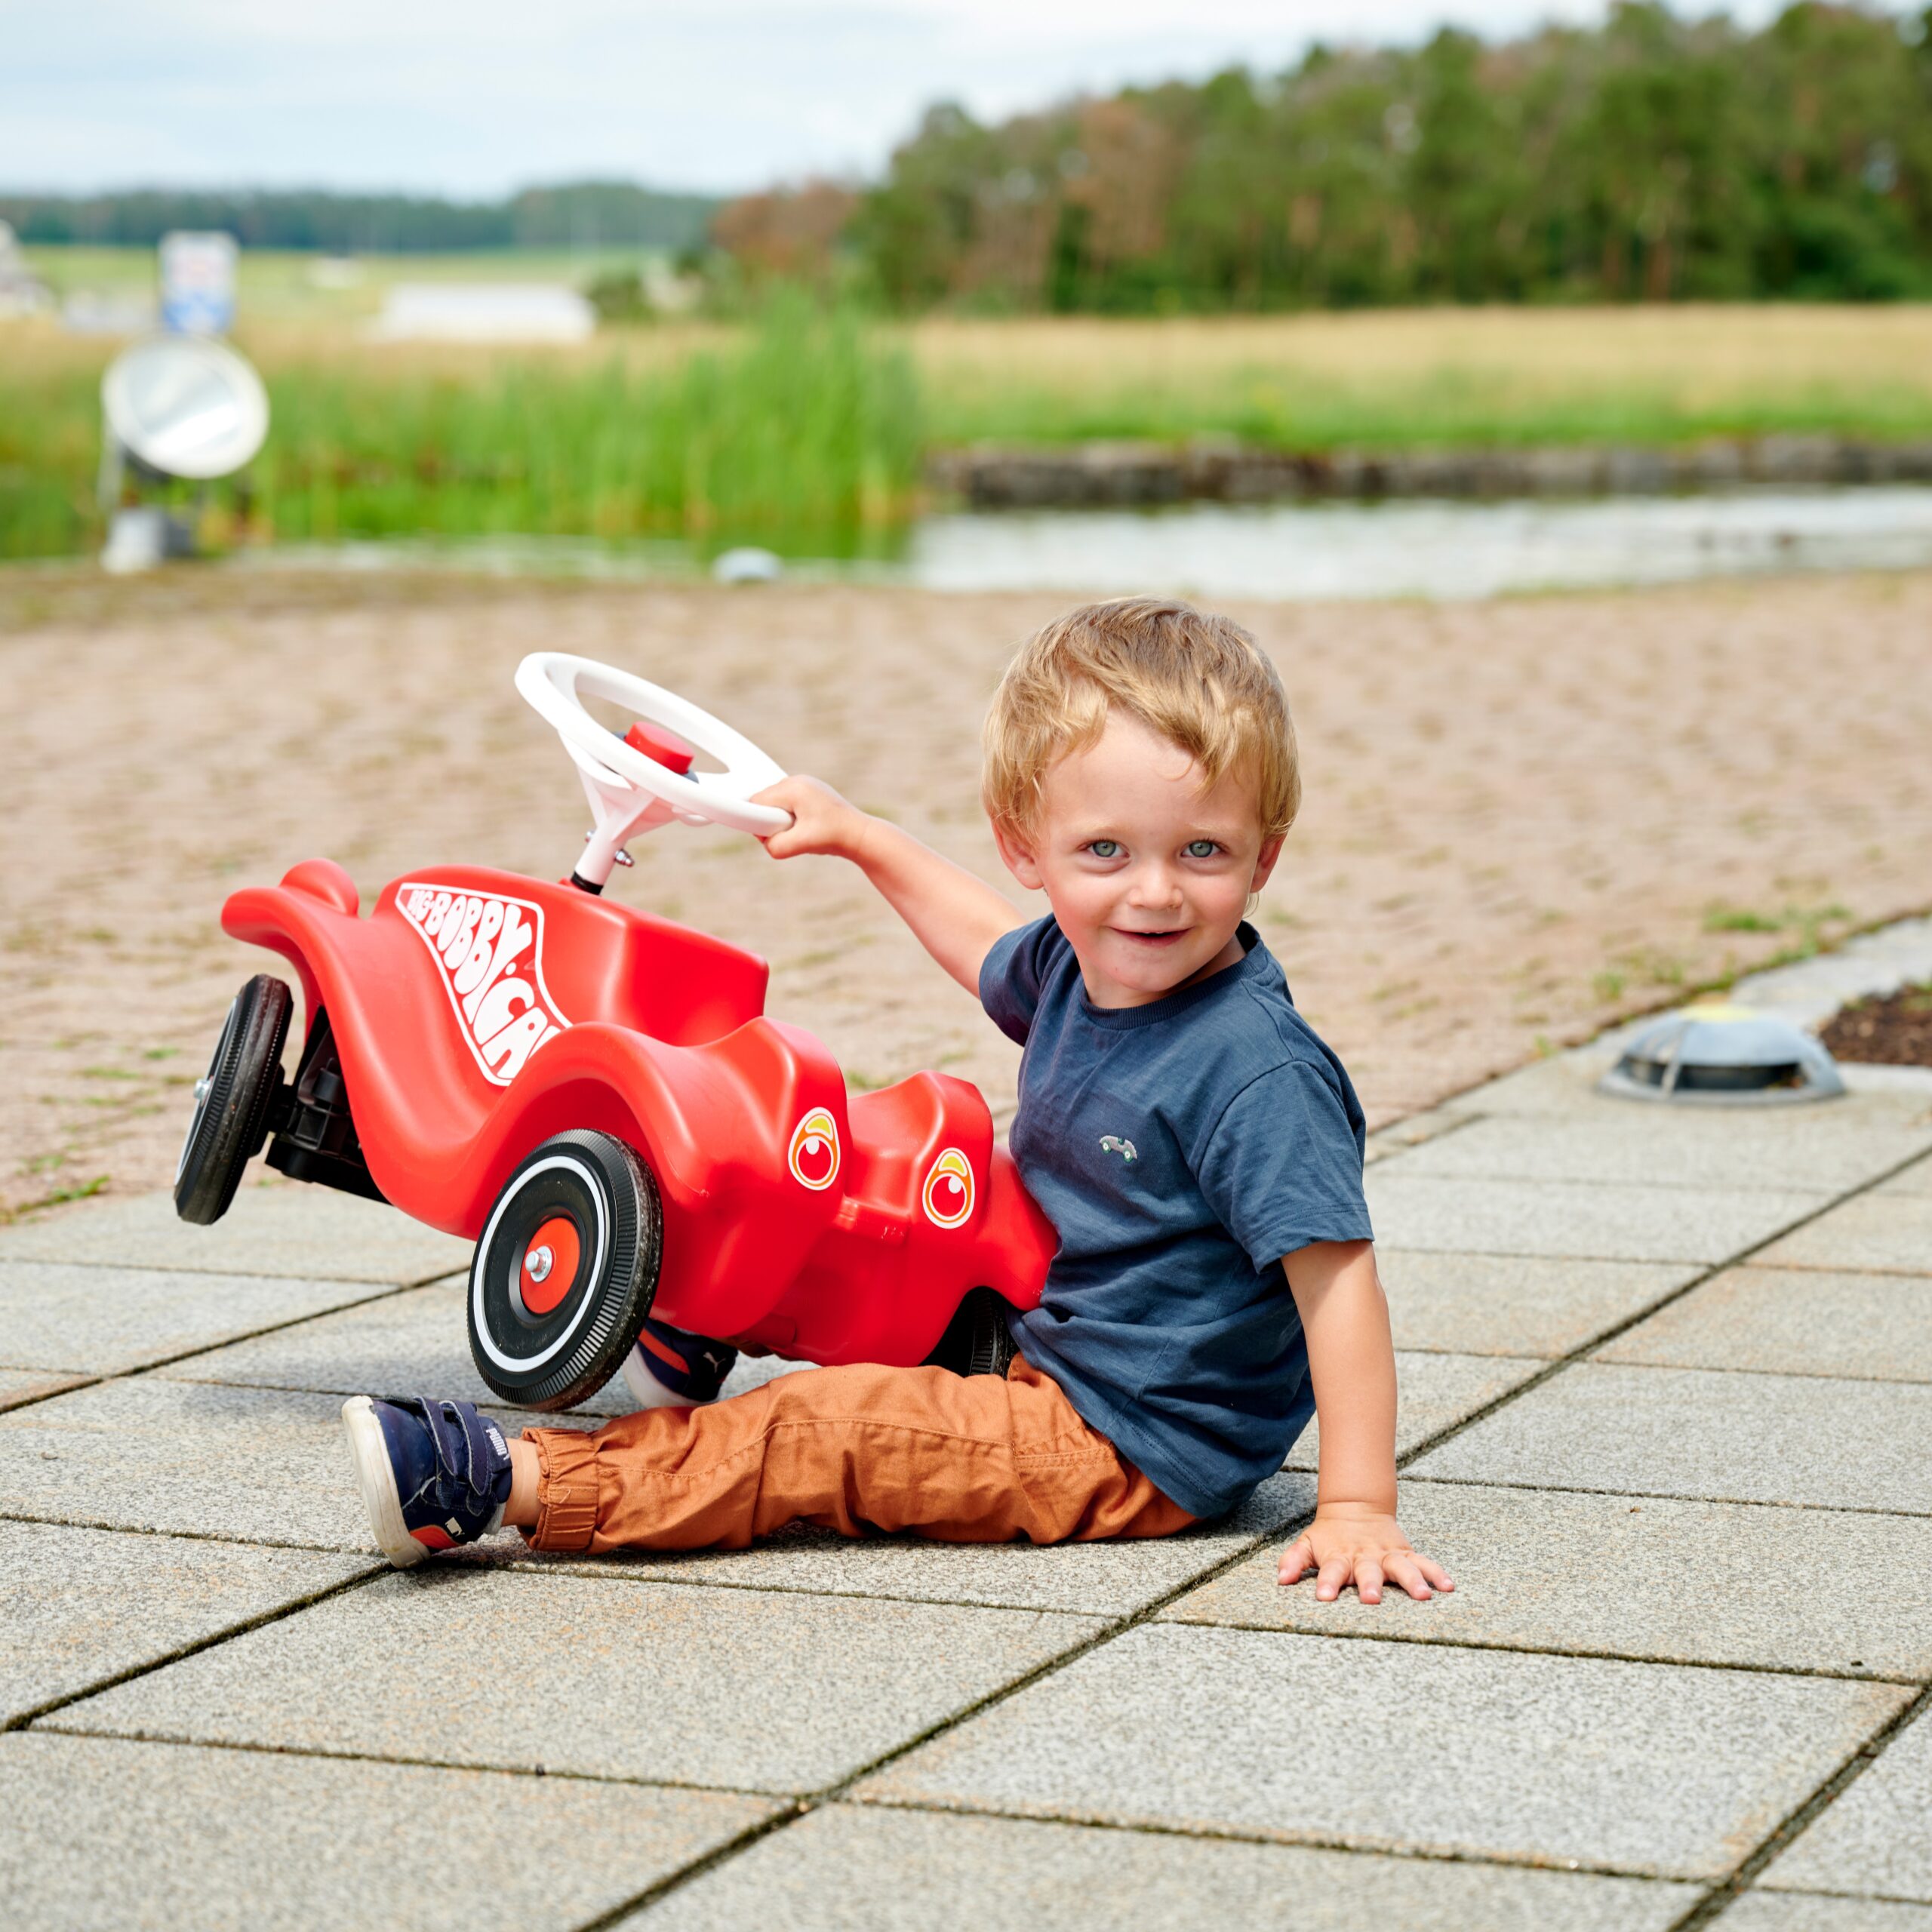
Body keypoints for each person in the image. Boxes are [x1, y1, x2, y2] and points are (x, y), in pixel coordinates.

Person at [342, 598, 1451, 1606]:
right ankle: (694, 1325)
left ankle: (503, 1483)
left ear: (1265, 857)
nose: (1153, 892)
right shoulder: (1084, 963)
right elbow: (986, 945)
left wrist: (1357, 1504)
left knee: (816, 1436)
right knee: (832, 1191)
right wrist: (861, 835)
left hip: (1126, 1435)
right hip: (1039, 1323)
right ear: (1026, 847)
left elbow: (1340, 1285)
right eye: (1104, 850)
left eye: (1202, 851)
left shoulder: (1255, 1073)